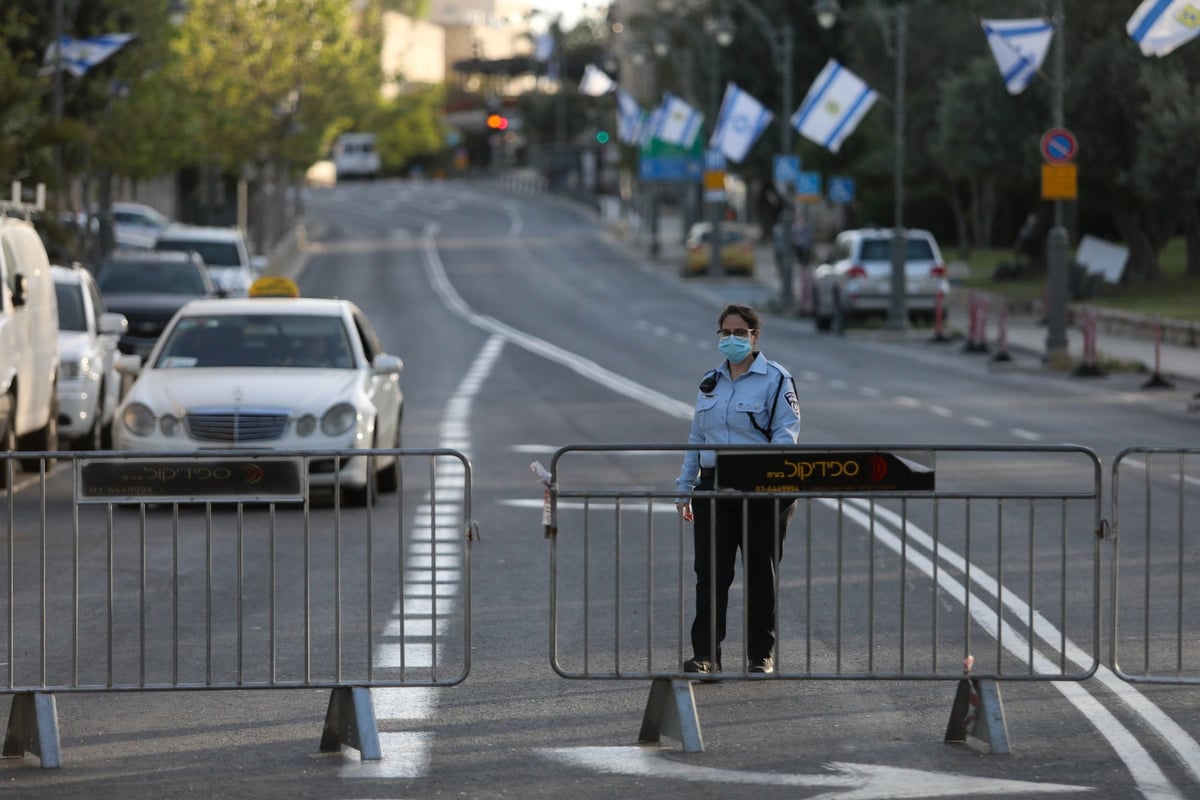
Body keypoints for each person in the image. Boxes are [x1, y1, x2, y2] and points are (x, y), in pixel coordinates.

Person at [674, 304, 801, 675]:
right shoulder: (710, 381)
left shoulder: (777, 379)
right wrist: (685, 487)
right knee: (710, 572)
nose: (731, 339)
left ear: (754, 336)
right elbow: (697, 438)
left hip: (761, 485)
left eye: (739, 332)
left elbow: (785, 436)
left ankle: (760, 654)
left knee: (762, 572)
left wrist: (768, 474)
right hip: (714, 486)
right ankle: (706, 655)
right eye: (725, 333)